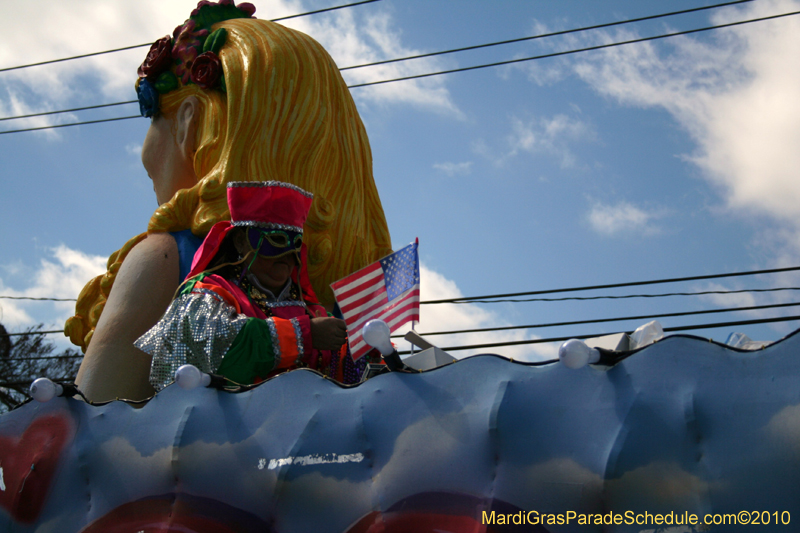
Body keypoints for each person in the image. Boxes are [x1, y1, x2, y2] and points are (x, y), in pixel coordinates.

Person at [67, 0, 393, 401]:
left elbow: (96, 422)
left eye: (153, 117)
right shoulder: (357, 295)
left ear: (189, 120)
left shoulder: (163, 261)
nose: (145, 153)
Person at [135, 181, 369, 389]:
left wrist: (365, 346)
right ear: (240, 241)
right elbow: (217, 350)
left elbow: (343, 374)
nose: (287, 254)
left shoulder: (312, 311)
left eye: (295, 244)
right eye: (276, 240)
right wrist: (303, 335)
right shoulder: (210, 293)